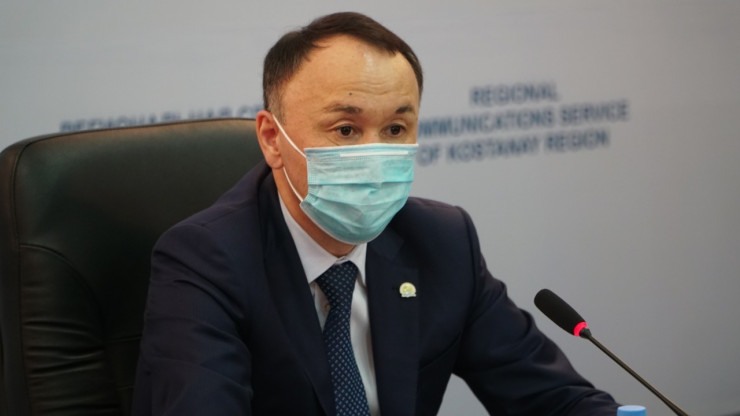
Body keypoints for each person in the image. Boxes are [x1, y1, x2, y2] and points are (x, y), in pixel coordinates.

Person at [132, 11, 619, 416]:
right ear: (272, 139)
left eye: (396, 129)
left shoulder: (443, 242)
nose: (374, 153)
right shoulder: (205, 261)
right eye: (346, 129)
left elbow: (556, 400)